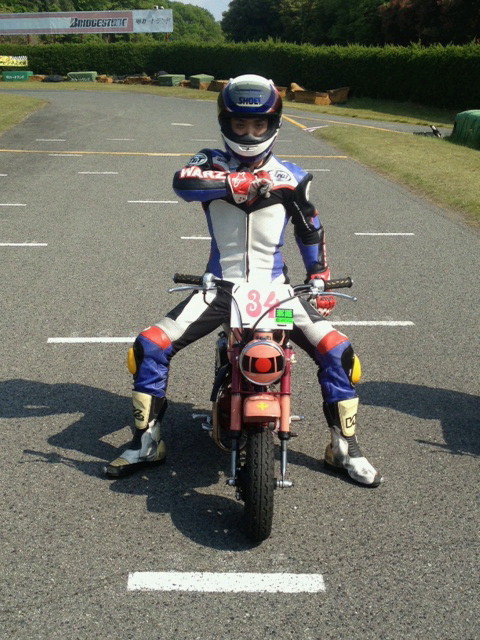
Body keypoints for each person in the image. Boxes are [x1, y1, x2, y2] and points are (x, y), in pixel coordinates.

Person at [105, 74, 383, 487]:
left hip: (277, 293)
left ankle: (345, 448)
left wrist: (320, 278)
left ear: (273, 124)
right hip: (220, 289)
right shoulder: (210, 162)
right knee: (149, 346)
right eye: (240, 124)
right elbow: (183, 182)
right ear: (226, 123)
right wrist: (235, 181)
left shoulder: (292, 176)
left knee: (339, 352)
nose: (249, 133)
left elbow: (310, 230)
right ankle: (146, 441)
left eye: (258, 124)